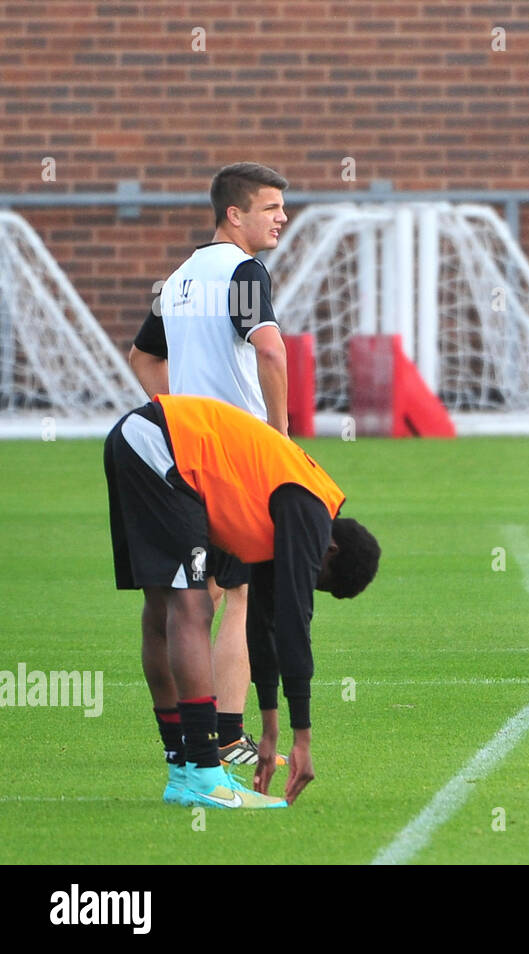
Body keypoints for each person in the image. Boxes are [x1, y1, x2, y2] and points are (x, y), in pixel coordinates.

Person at [104, 394, 381, 806]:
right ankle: (202, 772)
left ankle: (183, 772)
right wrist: (302, 738)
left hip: (144, 440)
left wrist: (270, 733)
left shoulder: (287, 522)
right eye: (318, 580)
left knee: (165, 607)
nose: (308, 582)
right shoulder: (308, 510)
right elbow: (294, 623)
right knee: (192, 607)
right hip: (163, 445)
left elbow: (266, 625)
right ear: (331, 550)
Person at [127, 162, 291, 766]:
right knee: (237, 597)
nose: (282, 218)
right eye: (271, 207)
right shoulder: (243, 271)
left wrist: (174, 413)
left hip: (180, 453)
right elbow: (271, 351)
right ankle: (223, 735)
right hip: (234, 454)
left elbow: (143, 358)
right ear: (235, 213)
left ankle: (186, 738)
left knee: (189, 599)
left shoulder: (180, 277)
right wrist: (280, 436)